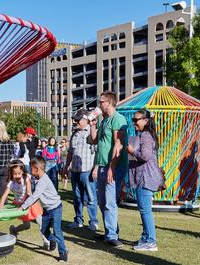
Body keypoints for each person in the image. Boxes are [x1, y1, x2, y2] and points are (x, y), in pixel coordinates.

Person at [89, 91, 128, 248]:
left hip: (114, 166)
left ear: (110, 102)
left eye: (101, 101)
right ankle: (110, 232)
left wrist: (112, 167)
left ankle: (112, 235)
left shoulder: (118, 119)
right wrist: (92, 124)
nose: (99, 104)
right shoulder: (104, 120)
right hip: (103, 165)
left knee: (110, 202)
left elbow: (118, 145)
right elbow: (93, 140)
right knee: (102, 201)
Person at [127, 109, 163, 251]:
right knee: (143, 210)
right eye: (133, 120)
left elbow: (145, 156)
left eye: (136, 120)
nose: (134, 123)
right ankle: (145, 237)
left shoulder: (146, 136)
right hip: (144, 177)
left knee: (145, 211)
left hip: (146, 178)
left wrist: (131, 151)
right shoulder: (143, 134)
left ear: (146, 120)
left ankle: (151, 242)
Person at [19, 156, 68, 262]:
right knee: (44, 230)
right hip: (46, 209)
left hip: (55, 209)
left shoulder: (43, 181)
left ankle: (63, 253)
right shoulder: (37, 179)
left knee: (57, 231)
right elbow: (31, 194)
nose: (30, 171)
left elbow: (34, 196)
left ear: (37, 169)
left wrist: (23, 206)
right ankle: (53, 240)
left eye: (31, 169)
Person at [0, 160, 48, 247]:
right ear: (11, 173)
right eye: (15, 174)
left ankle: (45, 240)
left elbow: (28, 192)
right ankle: (14, 230)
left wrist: (25, 204)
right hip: (20, 205)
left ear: (23, 172)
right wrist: (0, 208)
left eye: (19, 173)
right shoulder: (11, 183)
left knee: (40, 221)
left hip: (31, 203)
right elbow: (4, 195)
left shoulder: (26, 178)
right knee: (26, 226)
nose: (17, 176)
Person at [64, 109, 98, 231]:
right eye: (75, 119)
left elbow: (98, 152)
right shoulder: (74, 134)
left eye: (78, 120)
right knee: (77, 197)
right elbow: (70, 152)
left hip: (88, 170)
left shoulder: (92, 133)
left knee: (91, 198)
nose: (75, 122)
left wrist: (96, 168)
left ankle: (93, 222)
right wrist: (66, 166)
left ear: (85, 120)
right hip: (75, 171)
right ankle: (78, 220)